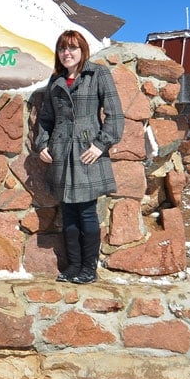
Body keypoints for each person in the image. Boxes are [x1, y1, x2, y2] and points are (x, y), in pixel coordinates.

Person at [35, 30, 124, 284]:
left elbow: (115, 115)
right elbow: (46, 119)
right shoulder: (55, 82)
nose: (67, 53)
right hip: (62, 152)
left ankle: (89, 268)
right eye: (63, 49)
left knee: (86, 211)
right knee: (68, 210)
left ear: (82, 50)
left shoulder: (98, 74)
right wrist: (42, 144)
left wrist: (100, 145)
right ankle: (73, 266)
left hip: (88, 153)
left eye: (72, 48)